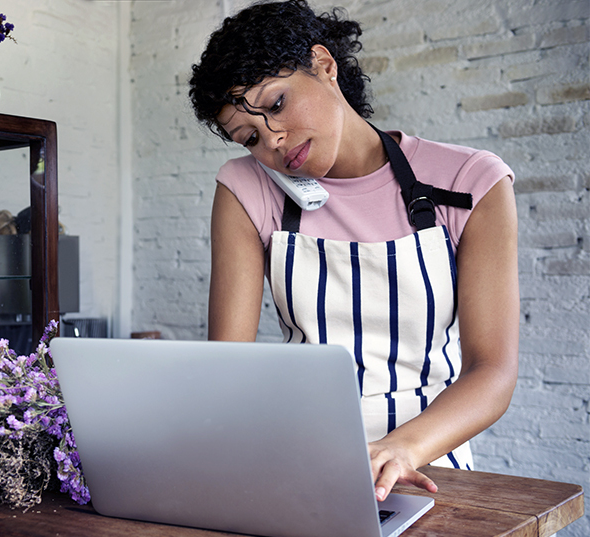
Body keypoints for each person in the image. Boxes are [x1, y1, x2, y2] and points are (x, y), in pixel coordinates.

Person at [188, 0, 518, 503]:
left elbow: (491, 372)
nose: (273, 139)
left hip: (431, 462)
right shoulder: (244, 187)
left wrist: (399, 450)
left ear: (324, 65)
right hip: (300, 463)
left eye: (276, 104)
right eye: (250, 136)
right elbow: (229, 369)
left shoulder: (470, 180)